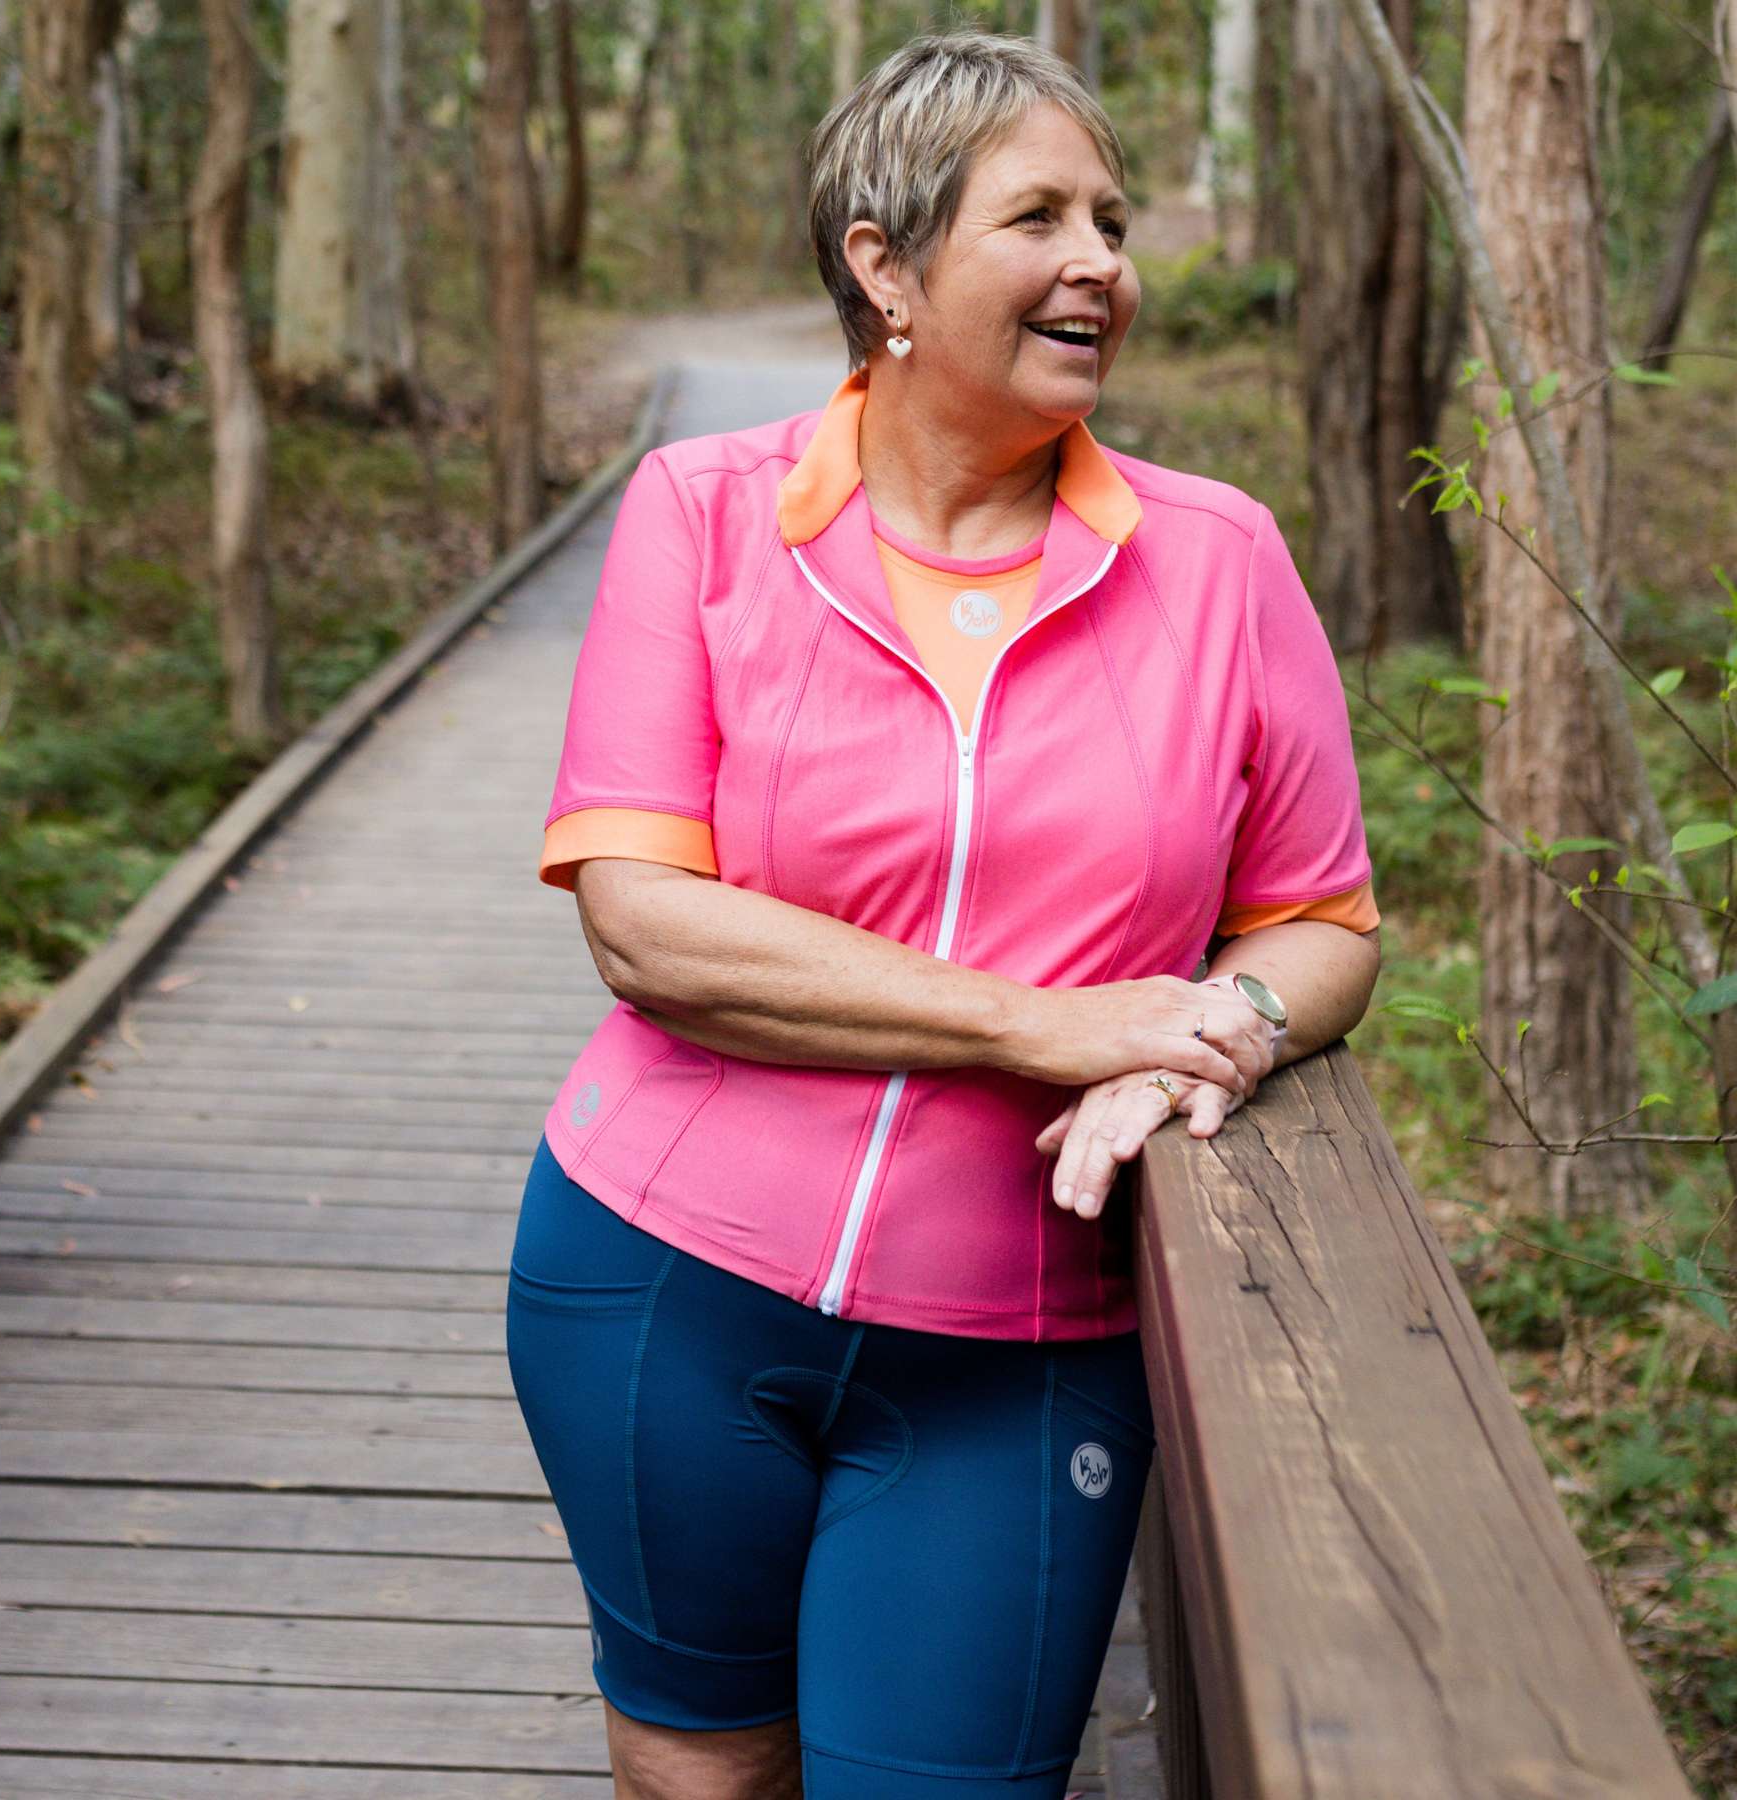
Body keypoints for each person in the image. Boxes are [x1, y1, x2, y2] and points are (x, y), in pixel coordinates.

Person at [505, 28, 1381, 1800]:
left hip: (1027, 1347)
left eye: (1113, 221)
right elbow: (644, 925)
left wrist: (1224, 1032)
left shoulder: (1222, 562)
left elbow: (1324, 920)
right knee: (705, 1768)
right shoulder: (708, 513)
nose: (1101, 263)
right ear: (885, 266)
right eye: (1039, 215)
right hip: (663, 1287)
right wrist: (1053, 1024)